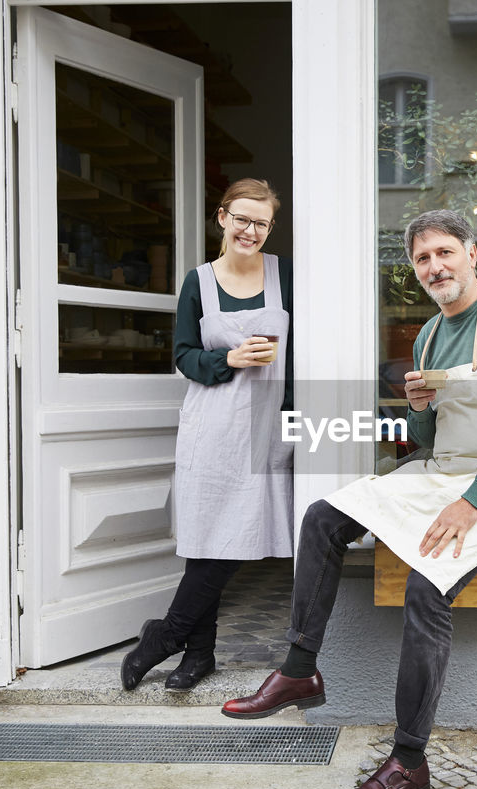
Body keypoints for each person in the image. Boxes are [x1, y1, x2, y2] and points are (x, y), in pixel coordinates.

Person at [221, 209, 477, 789]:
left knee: (428, 588)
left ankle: (408, 762)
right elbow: (429, 437)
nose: (435, 267)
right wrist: (418, 406)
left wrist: (471, 502)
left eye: (444, 253)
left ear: (471, 254)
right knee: (324, 517)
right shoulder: (427, 336)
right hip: (445, 469)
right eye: (423, 259)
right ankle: (300, 669)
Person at [121, 178, 294, 692]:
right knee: (209, 539)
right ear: (222, 217)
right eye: (242, 218)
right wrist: (230, 358)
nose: (251, 230)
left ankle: (165, 636)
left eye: (261, 222)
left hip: (264, 427)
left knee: (235, 536)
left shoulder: (286, 277)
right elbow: (182, 355)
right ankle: (197, 654)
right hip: (213, 423)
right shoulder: (199, 281)